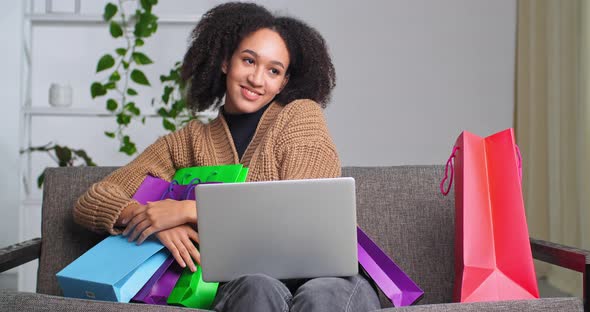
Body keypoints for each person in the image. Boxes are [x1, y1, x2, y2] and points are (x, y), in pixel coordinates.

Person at [74, 2, 380, 311]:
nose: (257, 79)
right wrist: (153, 221)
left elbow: (303, 217)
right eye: (248, 61)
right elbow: (94, 199)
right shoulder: (188, 141)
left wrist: (187, 211)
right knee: (255, 286)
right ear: (225, 62)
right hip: (249, 284)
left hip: (327, 281)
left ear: (284, 82)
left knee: (320, 294)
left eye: (273, 70)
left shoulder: (300, 116)